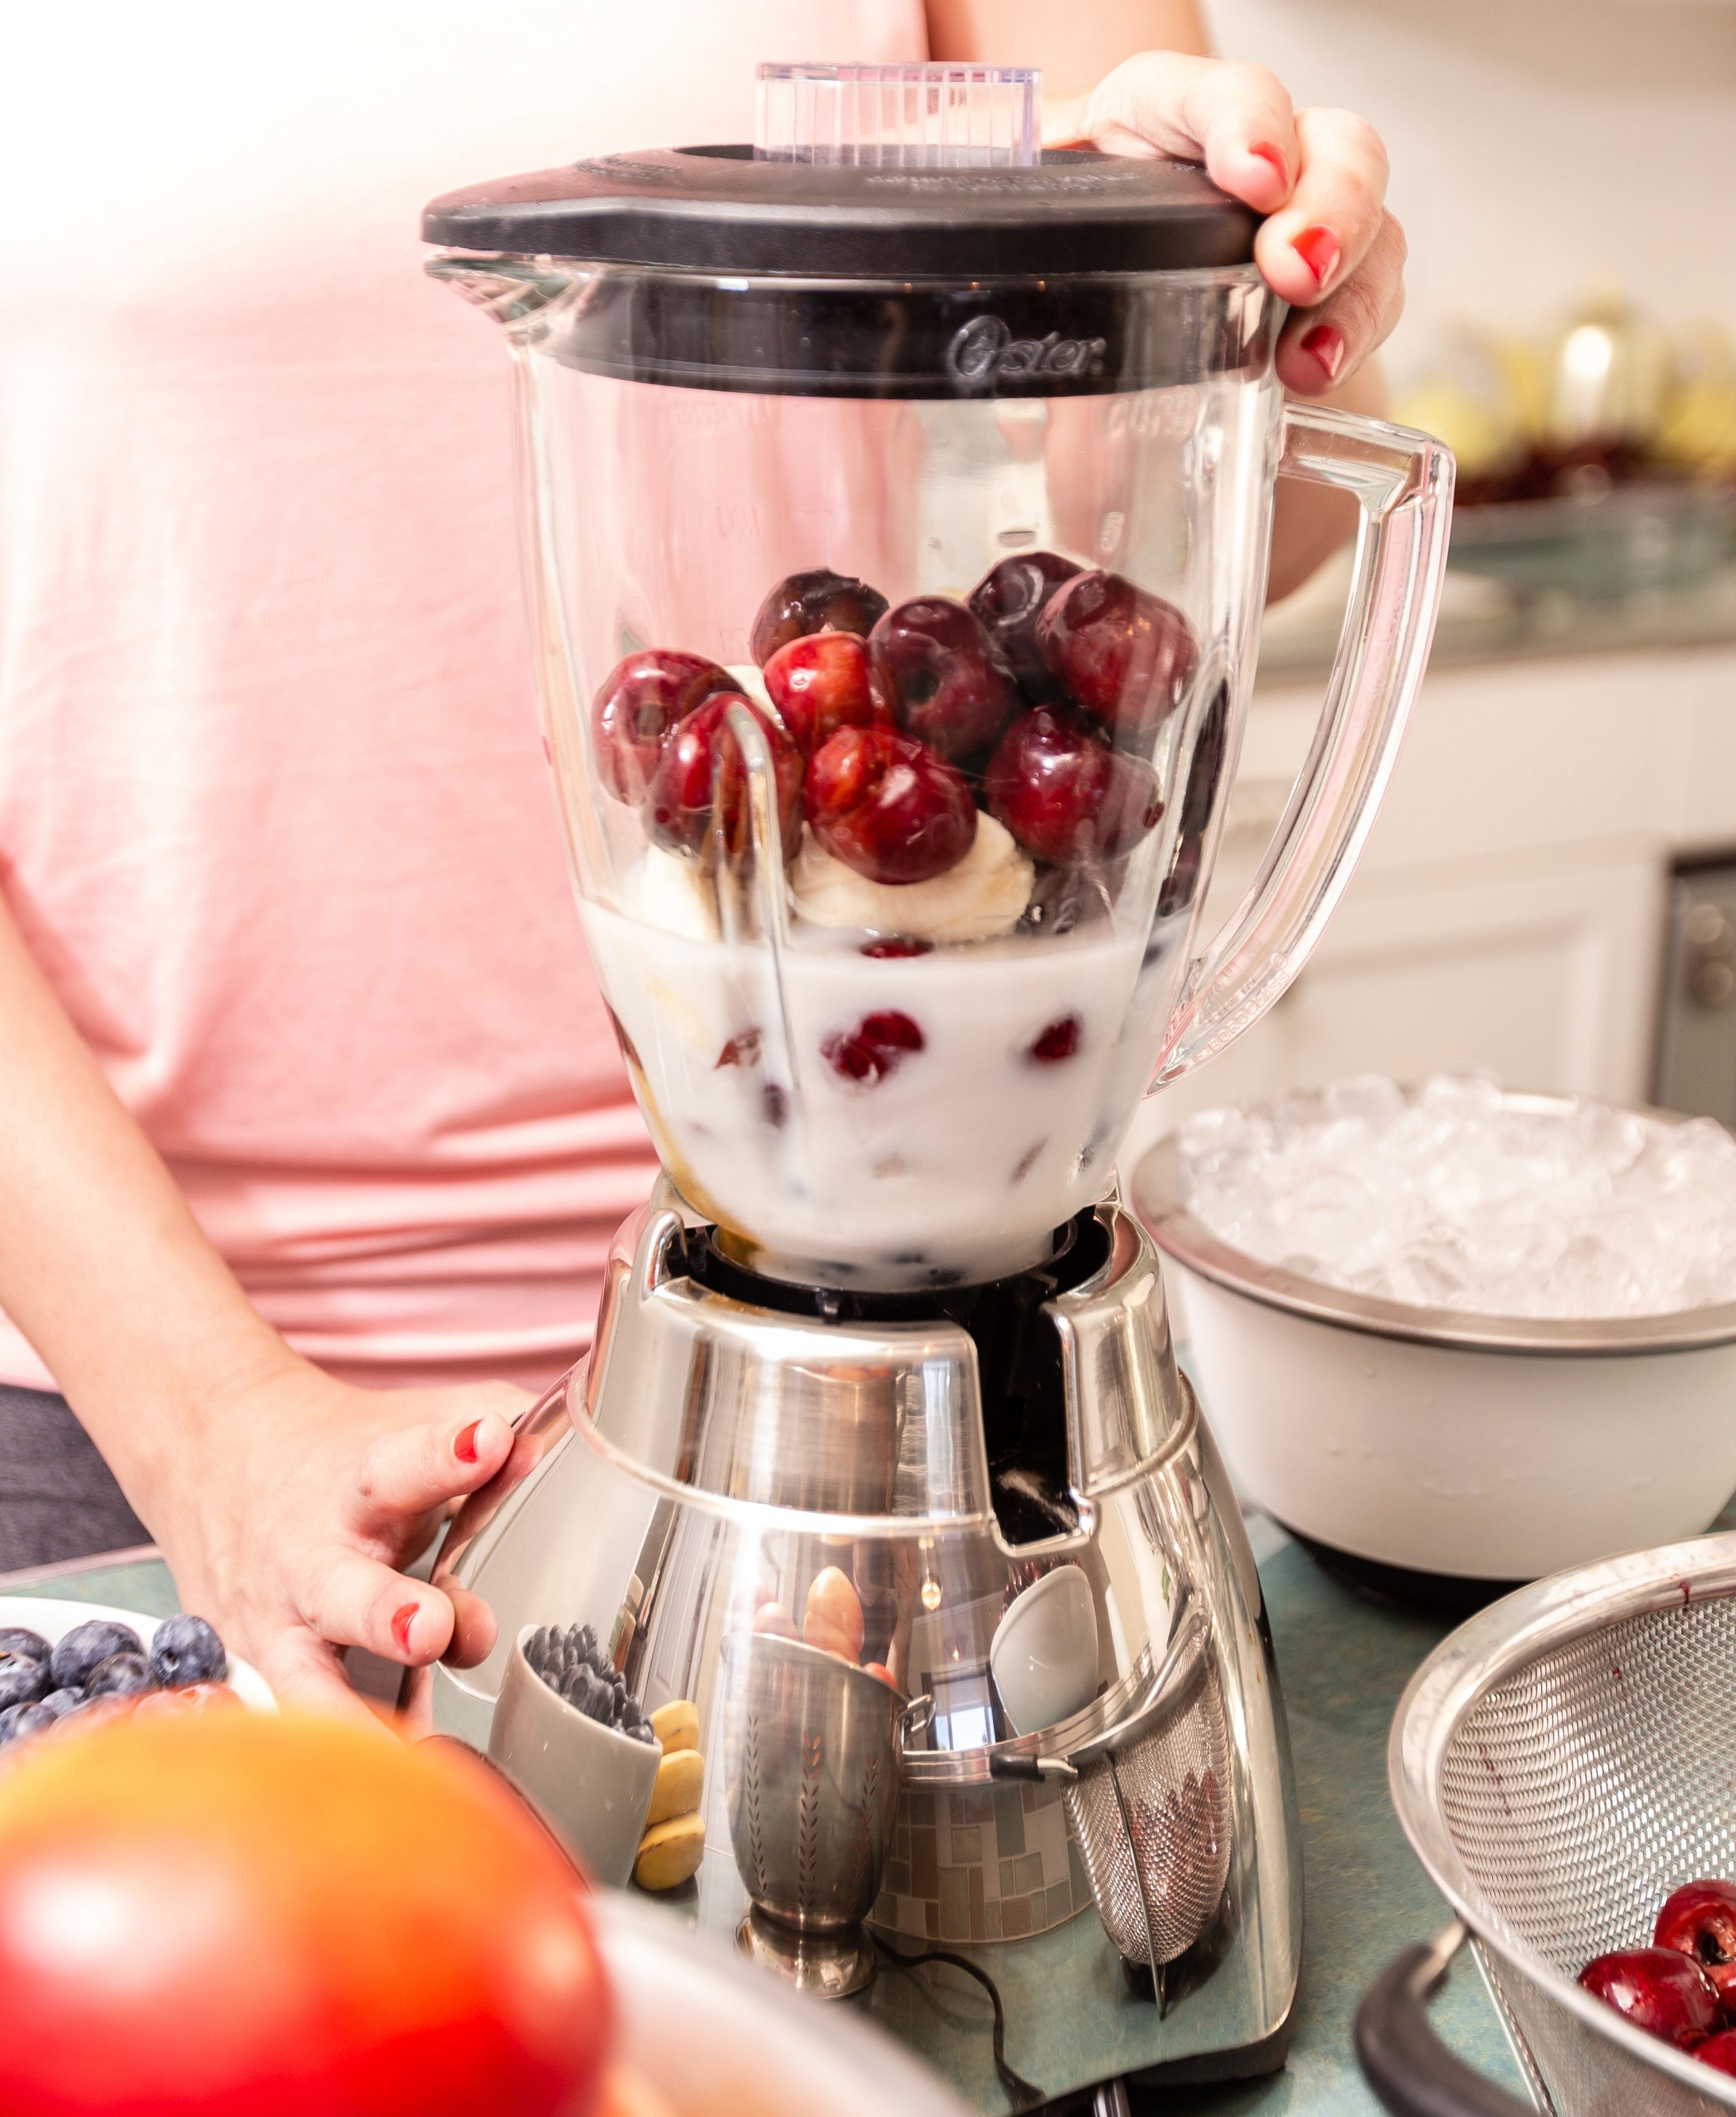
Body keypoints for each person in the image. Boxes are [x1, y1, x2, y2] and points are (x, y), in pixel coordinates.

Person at [0, 1, 1405, 1713]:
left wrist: (1259, 312)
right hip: (122, 1416)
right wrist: (212, 1434)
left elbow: (1152, 539)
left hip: (917, 1351)